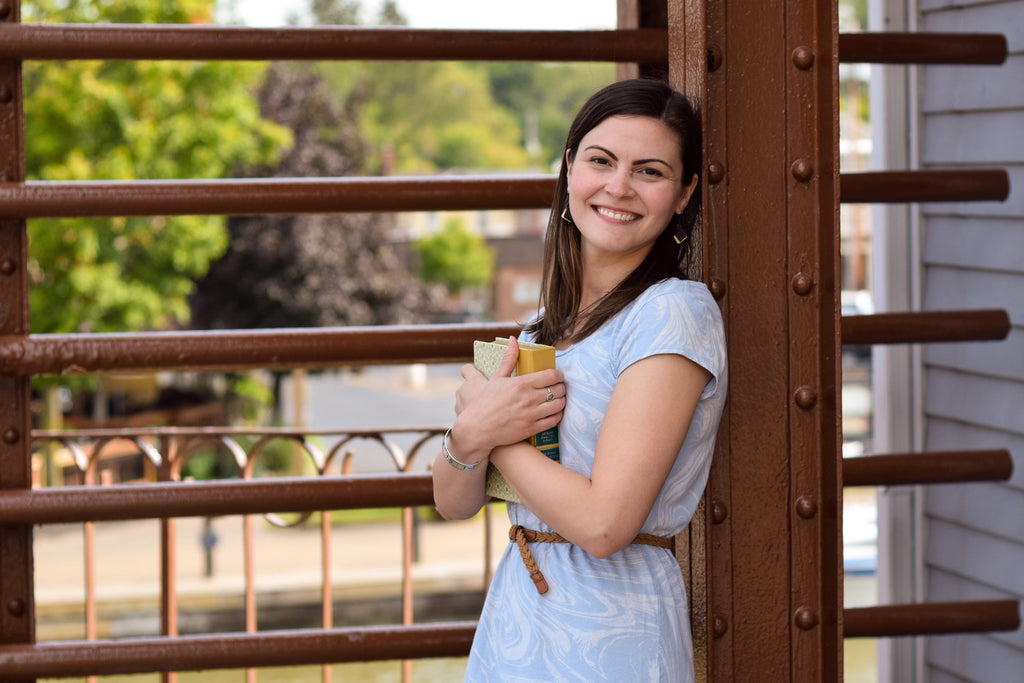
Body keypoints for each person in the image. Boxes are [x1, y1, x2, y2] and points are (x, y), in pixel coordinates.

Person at [432, 78, 727, 682]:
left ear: (684, 193)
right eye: (601, 161)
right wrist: (468, 437)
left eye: (650, 171)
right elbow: (452, 502)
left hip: (612, 631)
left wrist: (499, 433)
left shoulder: (673, 312)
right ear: (569, 169)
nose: (619, 187)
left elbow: (603, 525)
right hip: (519, 617)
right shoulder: (545, 330)